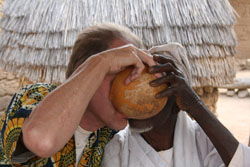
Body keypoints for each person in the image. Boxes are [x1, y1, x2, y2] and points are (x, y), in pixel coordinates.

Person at [0, 23, 157, 166]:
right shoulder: (37, 96)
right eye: (121, 72)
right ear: (86, 71)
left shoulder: (109, 136)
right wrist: (103, 61)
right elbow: (42, 141)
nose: (129, 85)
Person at [102, 44, 250, 167]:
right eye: (135, 86)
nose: (137, 101)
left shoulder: (205, 141)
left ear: (178, 102)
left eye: (155, 87)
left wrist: (196, 105)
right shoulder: (118, 149)